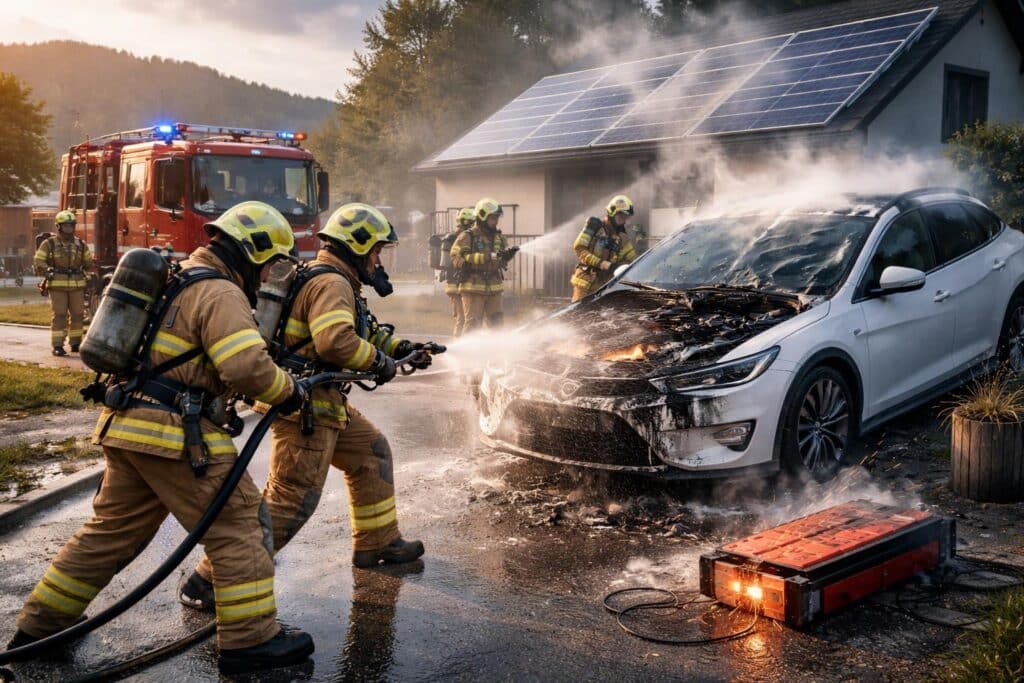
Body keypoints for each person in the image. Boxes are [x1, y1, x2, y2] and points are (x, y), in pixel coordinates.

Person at [7, 202, 315, 676]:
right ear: (252, 253)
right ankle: (251, 641)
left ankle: (38, 629)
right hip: (176, 436)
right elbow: (245, 367)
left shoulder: (177, 277)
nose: (269, 274)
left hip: (128, 426)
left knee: (108, 535)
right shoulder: (219, 292)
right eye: (271, 262)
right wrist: (289, 390)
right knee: (240, 526)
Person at [178, 202, 429, 616]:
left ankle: (378, 542)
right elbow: (335, 342)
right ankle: (209, 580)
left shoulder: (326, 276)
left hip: (322, 403)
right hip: (307, 406)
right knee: (291, 499)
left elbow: (354, 329)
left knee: (371, 453)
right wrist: (379, 363)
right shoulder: (333, 283)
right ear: (359, 245)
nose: (379, 259)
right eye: (377, 250)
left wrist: (399, 349)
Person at [450, 198, 519, 332]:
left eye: (497, 217)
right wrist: (468, 263)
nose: (496, 221)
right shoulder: (468, 236)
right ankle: (468, 352)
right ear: (482, 216)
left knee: (497, 324)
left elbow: (500, 261)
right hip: (473, 288)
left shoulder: (499, 238)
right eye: (493, 218)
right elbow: (455, 255)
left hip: (494, 288)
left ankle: (494, 352)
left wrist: (507, 257)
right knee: (473, 325)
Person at [33, 210, 92, 355]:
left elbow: (88, 264)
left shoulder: (81, 244)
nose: (69, 229)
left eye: (71, 226)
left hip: (77, 285)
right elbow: (38, 260)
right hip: (57, 285)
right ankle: (58, 346)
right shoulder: (49, 244)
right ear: (59, 226)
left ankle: (76, 343)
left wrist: (90, 276)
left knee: (78, 314)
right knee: (60, 315)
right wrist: (47, 271)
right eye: (66, 226)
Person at [570, 194, 638, 302]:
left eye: (625, 218)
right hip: (585, 282)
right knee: (578, 314)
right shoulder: (594, 226)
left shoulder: (622, 237)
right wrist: (601, 263)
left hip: (604, 287)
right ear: (612, 213)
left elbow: (632, 258)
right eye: (621, 217)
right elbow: (579, 248)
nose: (623, 221)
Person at [445, 207, 475, 337]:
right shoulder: (458, 238)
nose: (472, 225)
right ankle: (458, 345)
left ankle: (463, 342)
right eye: (470, 222)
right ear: (464, 222)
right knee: (462, 318)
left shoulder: (461, 237)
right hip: (456, 283)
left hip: (458, 282)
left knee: (464, 317)